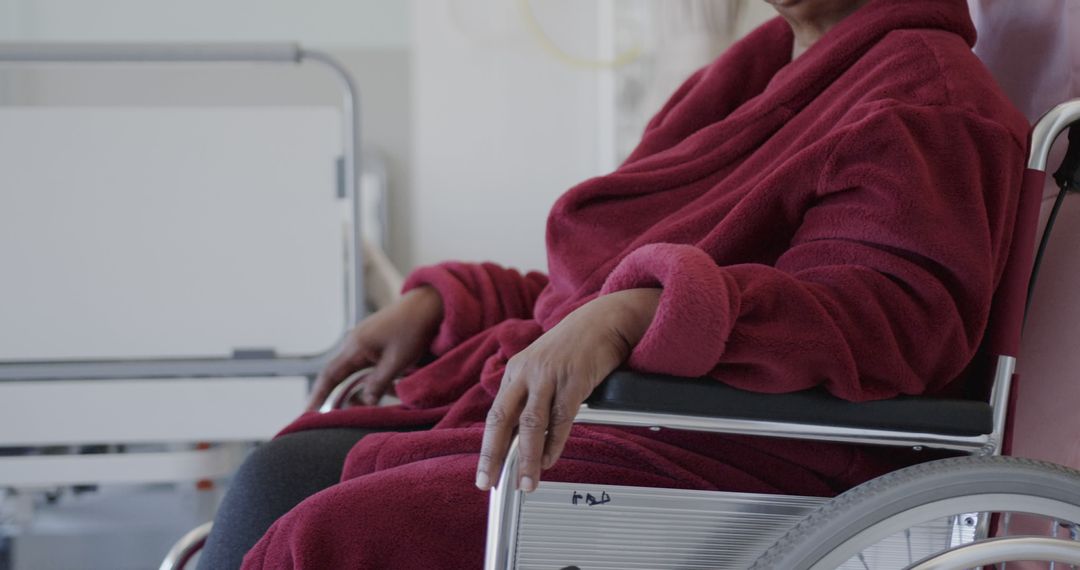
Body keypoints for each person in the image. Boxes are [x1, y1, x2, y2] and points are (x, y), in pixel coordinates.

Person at [199, 0, 1029, 567]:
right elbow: (596, 286)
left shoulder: (928, 99)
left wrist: (643, 314)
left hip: (744, 462)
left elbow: (885, 322)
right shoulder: (753, 75)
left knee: (333, 530)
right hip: (632, 418)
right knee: (279, 469)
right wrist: (451, 304)